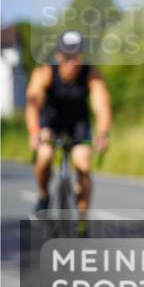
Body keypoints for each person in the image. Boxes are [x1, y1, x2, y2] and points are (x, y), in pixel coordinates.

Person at [25, 30, 112, 226]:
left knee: (83, 164)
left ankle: (82, 223)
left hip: (78, 126)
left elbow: (101, 106)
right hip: (51, 123)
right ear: (58, 55)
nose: (72, 61)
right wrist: (34, 132)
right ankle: (43, 194)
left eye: (76, 55)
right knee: (44, 155)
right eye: (67, 56)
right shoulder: (45, 73)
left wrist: (103, 134)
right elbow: (33, 104)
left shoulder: (91, 75)